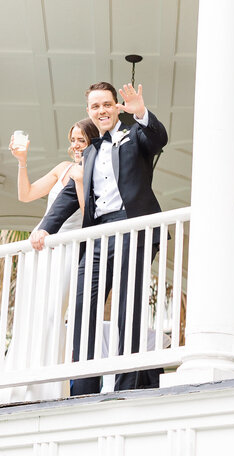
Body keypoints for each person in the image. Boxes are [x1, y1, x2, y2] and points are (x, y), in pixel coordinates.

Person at [30, 81, 167, 396]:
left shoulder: (135, 136)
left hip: (133, 227)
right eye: (95, 106)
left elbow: (159, 138)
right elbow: (68, 195)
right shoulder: (88, 153)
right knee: (82, 308)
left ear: (117, 106)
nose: (101, 110)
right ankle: (85, 386)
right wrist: (45, 227)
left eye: (107, 104)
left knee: (126, 306)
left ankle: (126, 384)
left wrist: (141, 111)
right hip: (97, 233)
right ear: (88, 112)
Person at [0, 119, 98, 406]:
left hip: (67, 248)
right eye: (73, 140)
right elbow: (25, 195)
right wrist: (22, 162)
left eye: (82, 140)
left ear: (92, 142)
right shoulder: (61, 168)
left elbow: (89, 214)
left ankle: (46, 388)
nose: (76, 145)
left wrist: (80, 177)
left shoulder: (93, 170)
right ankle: (15, 386)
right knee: (33, 313)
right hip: (41, 248)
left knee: (53, 313)